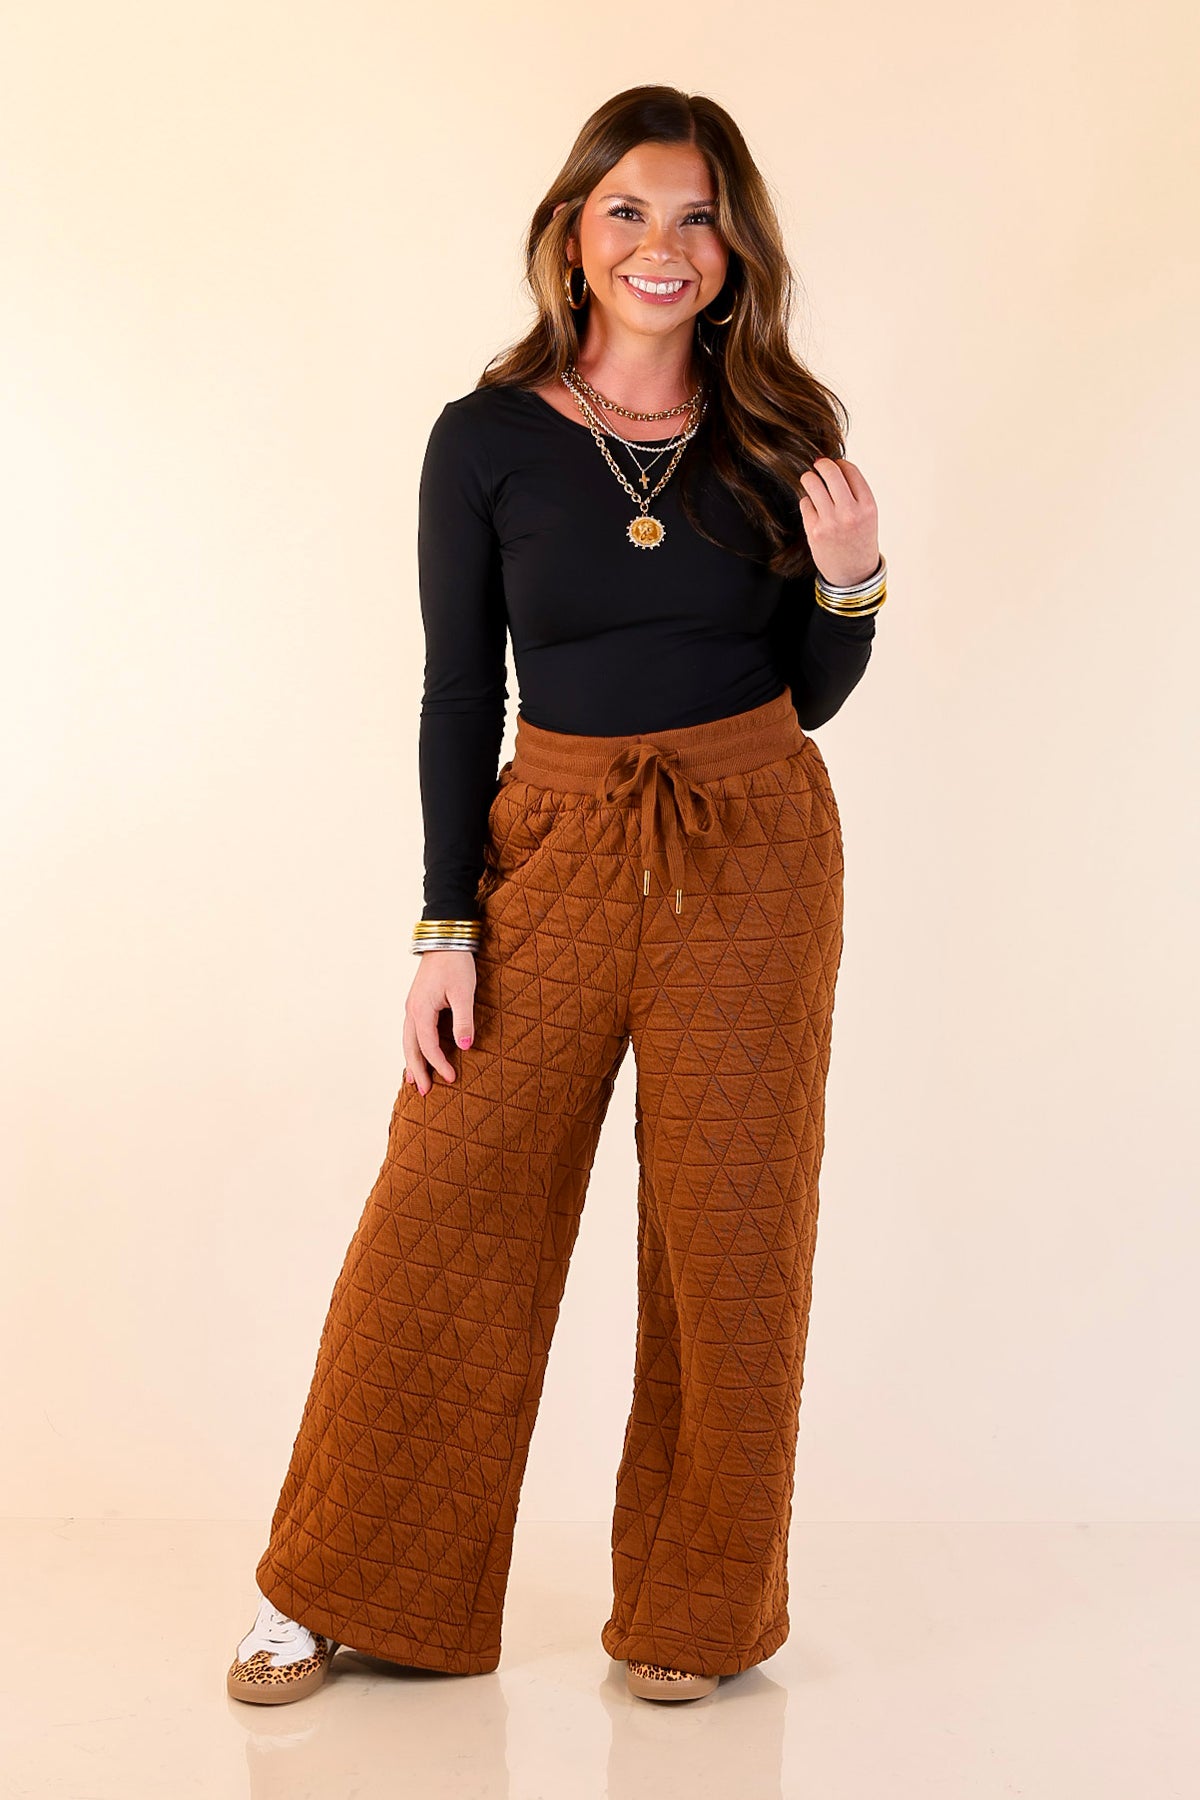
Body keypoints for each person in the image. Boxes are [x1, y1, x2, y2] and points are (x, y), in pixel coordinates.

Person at [227, 82, 884, 1709]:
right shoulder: (488, 439)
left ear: (734, 251)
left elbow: (805, 694)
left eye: (698, 217)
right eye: (630, 211)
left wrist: (853, 583)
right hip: (561, 841)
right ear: (575, 237)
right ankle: (340, 1585)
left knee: (730, 1232)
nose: (665, 245)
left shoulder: (780, 427)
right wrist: (447, 923)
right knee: (447, 1202)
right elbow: (461, 692)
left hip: (751, 845)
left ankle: (695, 1615)